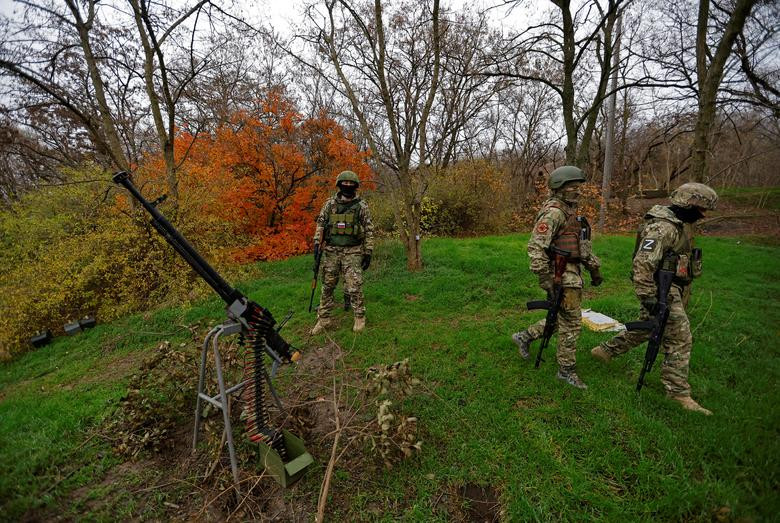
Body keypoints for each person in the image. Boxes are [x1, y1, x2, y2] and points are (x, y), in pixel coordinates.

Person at [590, 182, 717, 414]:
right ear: (689, 204)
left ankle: (605, 351)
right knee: (680, 337)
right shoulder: (663, 227)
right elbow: (643, 264)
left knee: (647, 328)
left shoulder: (679, 224)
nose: (703, 215)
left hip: (670, 287)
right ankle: (678, 393)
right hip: (660, 289)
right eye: (702, 209)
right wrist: (649, 298)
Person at [512, 166, 603, 389]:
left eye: (578, 186)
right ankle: (566, 371)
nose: (577, 191)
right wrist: (545, 278)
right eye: (572, 187)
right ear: (559, 188)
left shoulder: (571, 212)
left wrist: (594, 269)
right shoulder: (554, 213)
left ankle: (525, 336)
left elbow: (582, 247)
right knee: (571, 323)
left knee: (561, 317)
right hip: (561, 275)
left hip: (572, 272)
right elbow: (535, 247)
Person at [310, 170, 374, 334]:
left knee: (354, 286)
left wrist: (368, 251)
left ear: (355, 186)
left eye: (351, 184)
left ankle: (359, 317)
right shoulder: (330, 204)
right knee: (327, 286)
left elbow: (368, 230)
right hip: (331, 251)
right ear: (339, 185)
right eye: (344, 183)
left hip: (353, 252)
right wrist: (317, 243)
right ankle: (323, 319)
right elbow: (321, 224)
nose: (347, 186)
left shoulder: (361, 206)